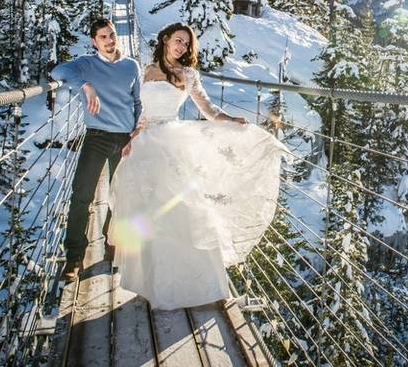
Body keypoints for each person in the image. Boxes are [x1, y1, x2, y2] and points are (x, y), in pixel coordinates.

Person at [107, 23, 284, 309]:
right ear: (165, 40)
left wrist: (231, 120)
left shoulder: (188, 75)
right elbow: (140, 112)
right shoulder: (146, 70)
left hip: (171, 142)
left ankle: (192, 284)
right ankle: (150, 282)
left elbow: (209, 110)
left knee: (182, 208)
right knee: (145, 210)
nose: (182, 48)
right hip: (145, 145)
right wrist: (132, 137)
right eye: (178, 41)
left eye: (186, 45)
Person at [51, 18, 143, 283]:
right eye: (103, 37)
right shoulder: (85, 65)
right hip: (97, 137)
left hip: (125, 139)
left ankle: (112, 245)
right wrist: (86, 85)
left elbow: (137, 102)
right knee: (82, 194)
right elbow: (58, 72)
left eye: (112, 35)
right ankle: (74, 257)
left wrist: (135, 132)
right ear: (94, 41)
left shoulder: (131, 66)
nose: (110, 41)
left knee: (122, 196)